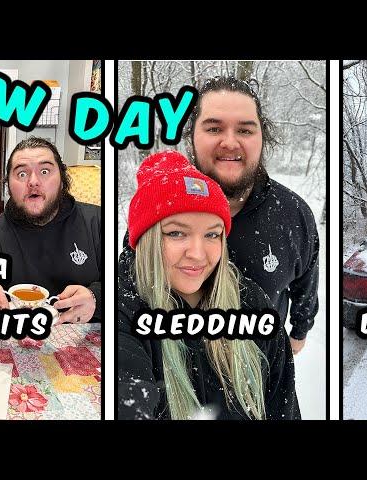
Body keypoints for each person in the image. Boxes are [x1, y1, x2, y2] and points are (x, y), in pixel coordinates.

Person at [119, 76, 319, 355]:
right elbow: (127, 293)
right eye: (214, 128)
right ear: (191, 137)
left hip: (258, 371)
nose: (230, 142)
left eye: (245, 131)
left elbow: (305, 283)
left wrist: (299, 330)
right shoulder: (158, 207)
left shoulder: (292, 214)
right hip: (173, 377)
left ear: (263, 137)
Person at [118, 150, 298, 420]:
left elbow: (283, 408)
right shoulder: (122, 308)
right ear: (147, 239)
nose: (198, 254)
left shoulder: (252, 304)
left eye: (212, 234)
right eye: (176, 233)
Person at [0, 137, 101, 323]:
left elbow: (126, 285)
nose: (33, 181)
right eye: (22, 174)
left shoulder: (97, 222)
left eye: (45, 171)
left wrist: (97, 298)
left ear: (62, 180)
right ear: (8, 185)